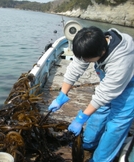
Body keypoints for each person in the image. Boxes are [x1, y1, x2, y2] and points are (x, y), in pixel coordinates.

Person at [48, 26, 134, 162]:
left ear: (102, 51)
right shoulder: (91, 44)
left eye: (88, 60)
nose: (85, 62)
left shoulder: (121, 60)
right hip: (110, 80)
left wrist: (81, 118)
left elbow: (103, 94)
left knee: (116, 125)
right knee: (100, 111)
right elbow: (75, 67)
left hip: (130, 85)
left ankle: (101, 159)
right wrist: (61, 95)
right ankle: (89, 142)